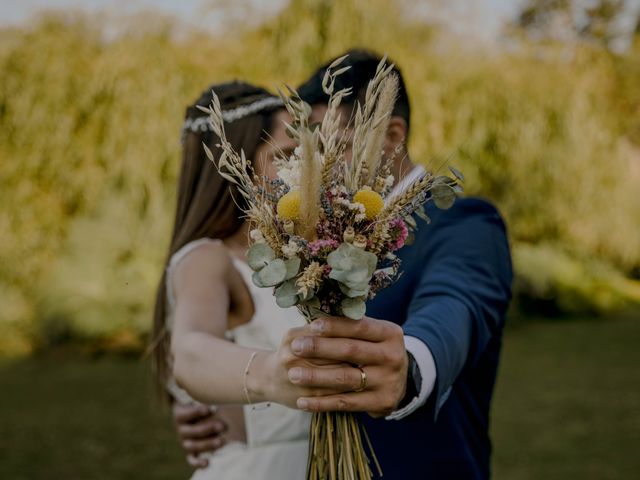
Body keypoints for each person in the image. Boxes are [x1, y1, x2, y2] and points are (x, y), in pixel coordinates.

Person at [174, 50, 513, 479]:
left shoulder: (464, 225)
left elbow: (455, 310)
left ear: (390, 137)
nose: (314, 167)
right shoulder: (308, 233)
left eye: (331, 147)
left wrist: (407, 366)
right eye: (305, 150)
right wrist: (228, 407)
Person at [151, 81, 352, 479]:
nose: (303, 169)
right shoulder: (208, 260)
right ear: (235, 166)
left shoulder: (307, 256)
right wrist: (276, 374)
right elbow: (191, 349)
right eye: (285, 156)